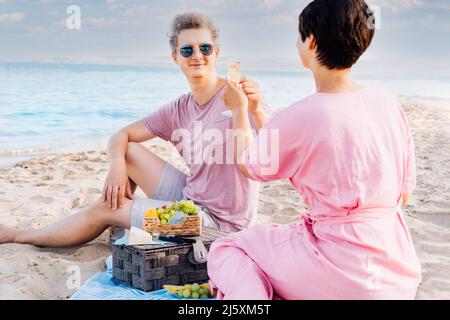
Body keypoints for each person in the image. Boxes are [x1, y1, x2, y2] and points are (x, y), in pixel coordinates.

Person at [208, 0, 422, 299]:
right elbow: (405, 193)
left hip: (342, 270)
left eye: (299, 36)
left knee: (228, 247)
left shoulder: (302, 114)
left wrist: (240, 110)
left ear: (311, 41)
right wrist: (258, 113)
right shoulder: (387, 102)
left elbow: (249, 164)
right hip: (396, 270)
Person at [0, 12, 270, 247]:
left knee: (105, 208)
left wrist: (253, 109)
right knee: (127, 151)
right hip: (190, 197)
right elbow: (121, 135)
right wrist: (116, 166)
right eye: (187, 50)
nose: (197, 56)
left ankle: (20, 236)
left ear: (217, 52)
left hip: (215, 226)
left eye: (205, 48)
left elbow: (270, 156)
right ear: (176, 57)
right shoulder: (179, 108)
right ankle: (121, 222)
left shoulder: (240, 97)